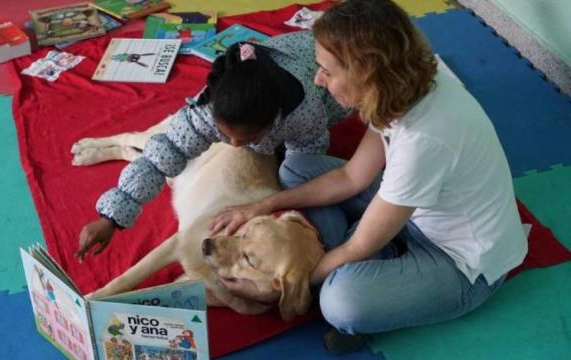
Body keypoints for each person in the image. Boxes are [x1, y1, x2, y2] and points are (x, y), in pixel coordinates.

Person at [209, 0, 528, 354]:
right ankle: (368, 257)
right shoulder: (400, 88)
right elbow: (351, 177)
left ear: (366, 72)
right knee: (296, 168)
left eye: (327, 71)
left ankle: (362, 269)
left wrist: (287, 285)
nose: (318, 79)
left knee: (340, 302)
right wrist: (263, 205)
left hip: (461, 264)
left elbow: (360, 246)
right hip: (412, 211)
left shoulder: (424, 139)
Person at [75, 31, 349, 261]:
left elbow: (310, 157)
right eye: (226, 134)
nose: (234, 145)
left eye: (248, 139)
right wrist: (110, 218)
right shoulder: (207, 109)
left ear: (271, 124)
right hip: (282, 73)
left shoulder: (305, 112)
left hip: (313, 63)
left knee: (297, 172)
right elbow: (161, 156)